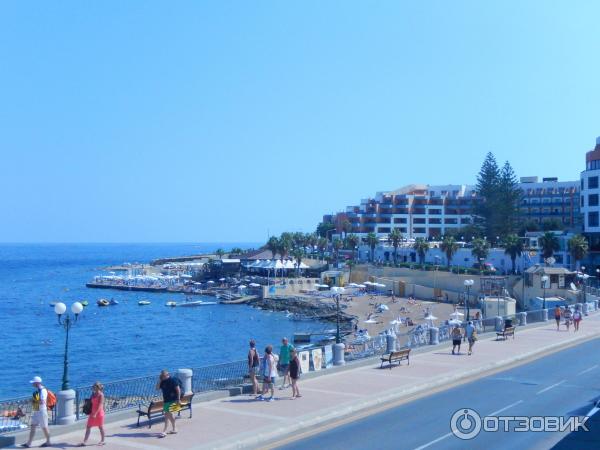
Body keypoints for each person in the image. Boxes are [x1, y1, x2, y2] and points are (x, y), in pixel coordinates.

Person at [21, 376, 51, 448]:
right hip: (37, 411)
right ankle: (29, 443)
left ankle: (48, 442)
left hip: (42, 411)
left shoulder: (42, 390)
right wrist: (34, 401)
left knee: (44, 427)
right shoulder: (38, 390)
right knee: (33, 426)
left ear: (37, 383)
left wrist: (34, 401)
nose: (32, 384)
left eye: (33, 383)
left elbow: (43, 401)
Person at [155, 370, 181, 438]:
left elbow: (178, 389)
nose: (162, 377)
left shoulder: (172, 380)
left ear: (167, 375)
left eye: (163, 376)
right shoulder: (162, 381)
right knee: (170, 415)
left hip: (173, 400)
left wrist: (178, 399)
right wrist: (160, 380)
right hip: (166, 400)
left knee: (166, 415)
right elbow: (157, 388)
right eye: (161, 376)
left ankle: (164, 431)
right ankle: (174, 429)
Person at [79, 382, 105, 446]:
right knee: (88, 426)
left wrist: (95, 413)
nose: (93, 388)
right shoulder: (93, 394)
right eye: (93, 387)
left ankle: (102, 441)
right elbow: (90, 402)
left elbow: (100, 405)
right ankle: (85, 441)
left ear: (97, 387)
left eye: (94, 387)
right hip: (92, 413)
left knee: (100, 427)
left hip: (99, 413)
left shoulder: (101, 395)